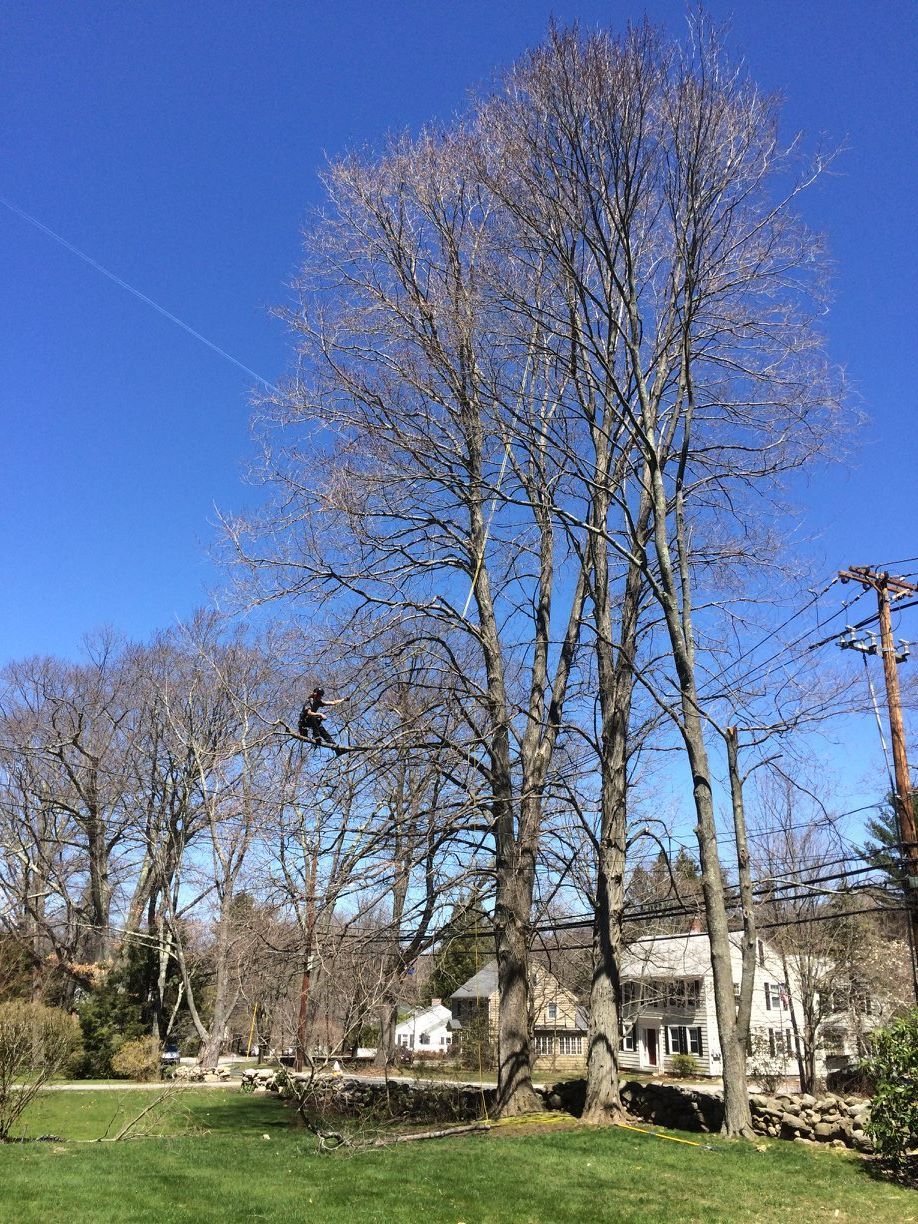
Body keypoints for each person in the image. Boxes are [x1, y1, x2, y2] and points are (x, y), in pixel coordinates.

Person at [298, 687, 346, 754]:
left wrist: (343, 699)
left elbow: (333, 702)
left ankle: (336, 748)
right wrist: (320, 714)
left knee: (321, 728)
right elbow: (309, 713)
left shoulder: (319, 702)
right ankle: (316, 736)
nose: (320, 697)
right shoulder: (309, 701)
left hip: (312, 721)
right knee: (313, 717)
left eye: (321, 695)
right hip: (304, 722)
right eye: (319, 695)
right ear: (315, 694)